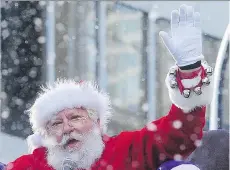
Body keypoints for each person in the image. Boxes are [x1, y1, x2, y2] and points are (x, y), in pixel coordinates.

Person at [6, 4, 214, 170]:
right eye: (56, 124)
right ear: (46, 135)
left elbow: (177, 135)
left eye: (75, 118)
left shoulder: (124, 151)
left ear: (96, 123)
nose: (67, 128)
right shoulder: (32, 166)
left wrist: (189, 70)